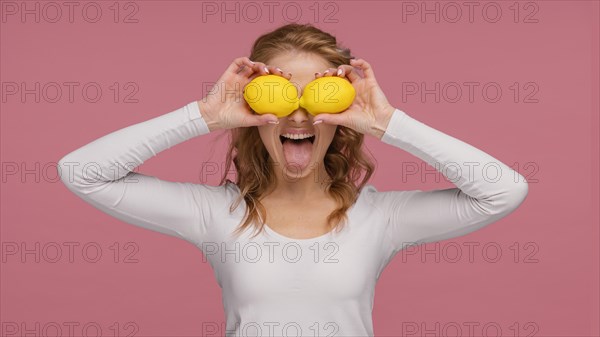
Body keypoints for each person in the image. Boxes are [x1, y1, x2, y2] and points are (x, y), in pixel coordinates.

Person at [58, 23, 529, 337]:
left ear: (341, 114)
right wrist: (203, 115)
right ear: (255, 111)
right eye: (282, 98)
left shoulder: (382, 217)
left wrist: (387, 122)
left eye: (318, 98)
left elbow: (503, 190)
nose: (300, 115)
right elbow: (82, 172)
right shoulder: (213, 214)